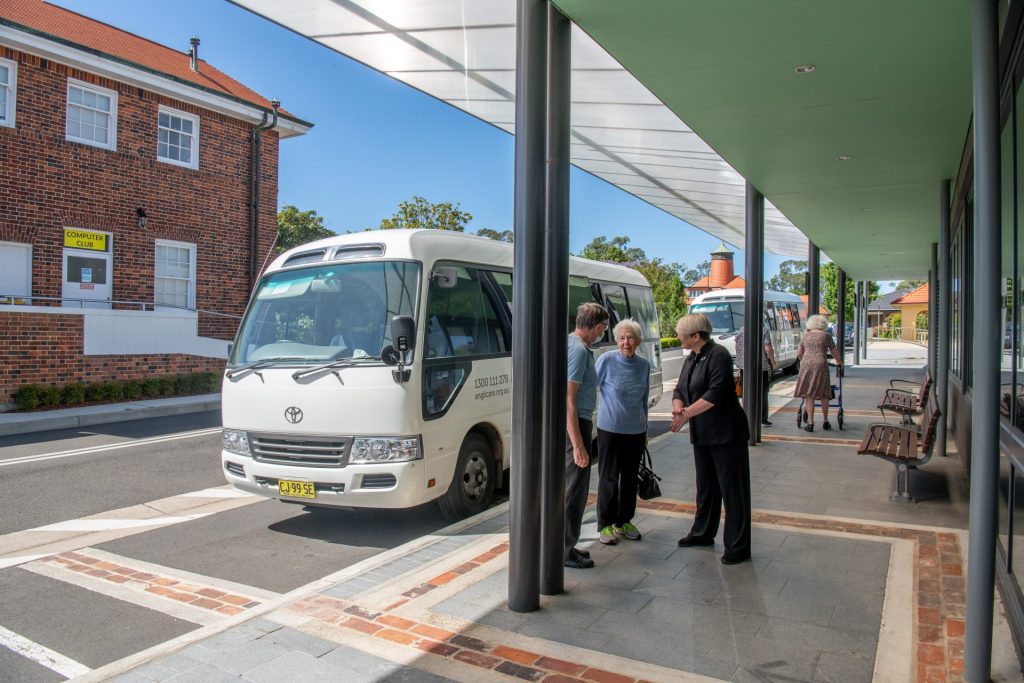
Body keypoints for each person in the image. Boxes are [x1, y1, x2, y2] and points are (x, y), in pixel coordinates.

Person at [670, 313, 752, 565]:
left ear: (696, 336)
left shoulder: (718, 355)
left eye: (681, 334)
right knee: (706, 487)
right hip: (703, 433)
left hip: (726, 433)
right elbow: (679, 388)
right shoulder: (692, 358)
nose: (678, 338)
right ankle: (702, 532)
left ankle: (737, 546)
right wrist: (677, 405)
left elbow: (717, 392)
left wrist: (686, 414)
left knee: (732, 490)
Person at [594, 319, 651, 545]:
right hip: (610, 429)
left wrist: (645, 429)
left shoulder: (644, 365)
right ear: (617, 340)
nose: (626, 342)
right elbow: (592, 387)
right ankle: (605, 524)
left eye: (630, 338)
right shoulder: (606, 360)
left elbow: (644, 400)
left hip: (635, 430)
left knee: (629, 479)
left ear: (638, 341)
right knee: (608, 478)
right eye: (622, 338)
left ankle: (624, 520)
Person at [564, 302, 611, 569]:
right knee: (574, 489)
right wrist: (579, 445)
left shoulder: (572, 344)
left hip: (577, 423)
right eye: (603, 328)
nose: (603, 332)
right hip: (575, 424)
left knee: (572, 488)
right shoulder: (579, 351)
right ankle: (563, 549)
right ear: (596, 326)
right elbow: (569, 399)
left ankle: (567, 543)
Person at [794, 314, 841, 432]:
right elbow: (834, 351)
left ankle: (810, 423)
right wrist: (839, 362)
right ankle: (825, 421)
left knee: (809, 395)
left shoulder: (805, 336)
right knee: (824, 394)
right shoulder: (826, 336)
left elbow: (799, 353)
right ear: (823, 324)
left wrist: (803, 360)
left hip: (806, 365)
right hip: (821, 365)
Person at [734, 319, 776, 426]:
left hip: (745, 366)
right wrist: (772, 360)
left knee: (746, 391)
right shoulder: (764, 330)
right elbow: (767, 348)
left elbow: (737, 346)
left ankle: (747, 415)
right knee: (763, 391)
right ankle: (763, 418)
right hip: (761, 366)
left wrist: (740, 362)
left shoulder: (742, 329)